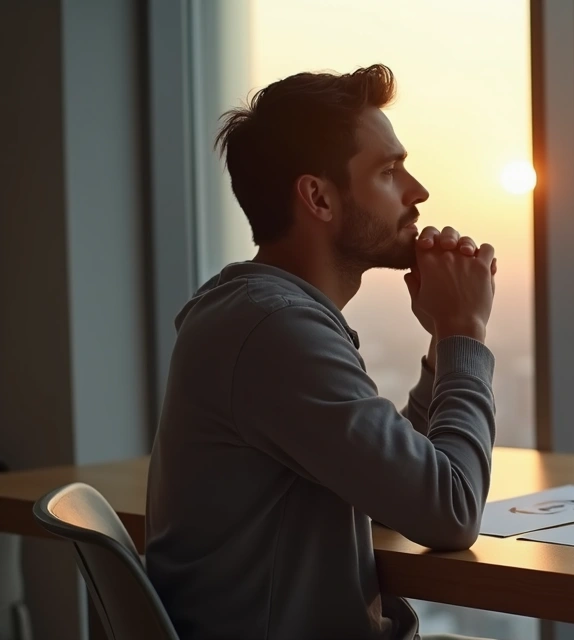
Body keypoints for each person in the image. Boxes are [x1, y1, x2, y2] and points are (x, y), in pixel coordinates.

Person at [145, 64, 497, 640]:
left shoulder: (259, 314)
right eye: (388, 172)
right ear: (318, 197)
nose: (418, 192)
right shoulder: (273, 330)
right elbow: (451, 512)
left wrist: (441, 347)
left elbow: (387, 491)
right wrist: (464, 332)